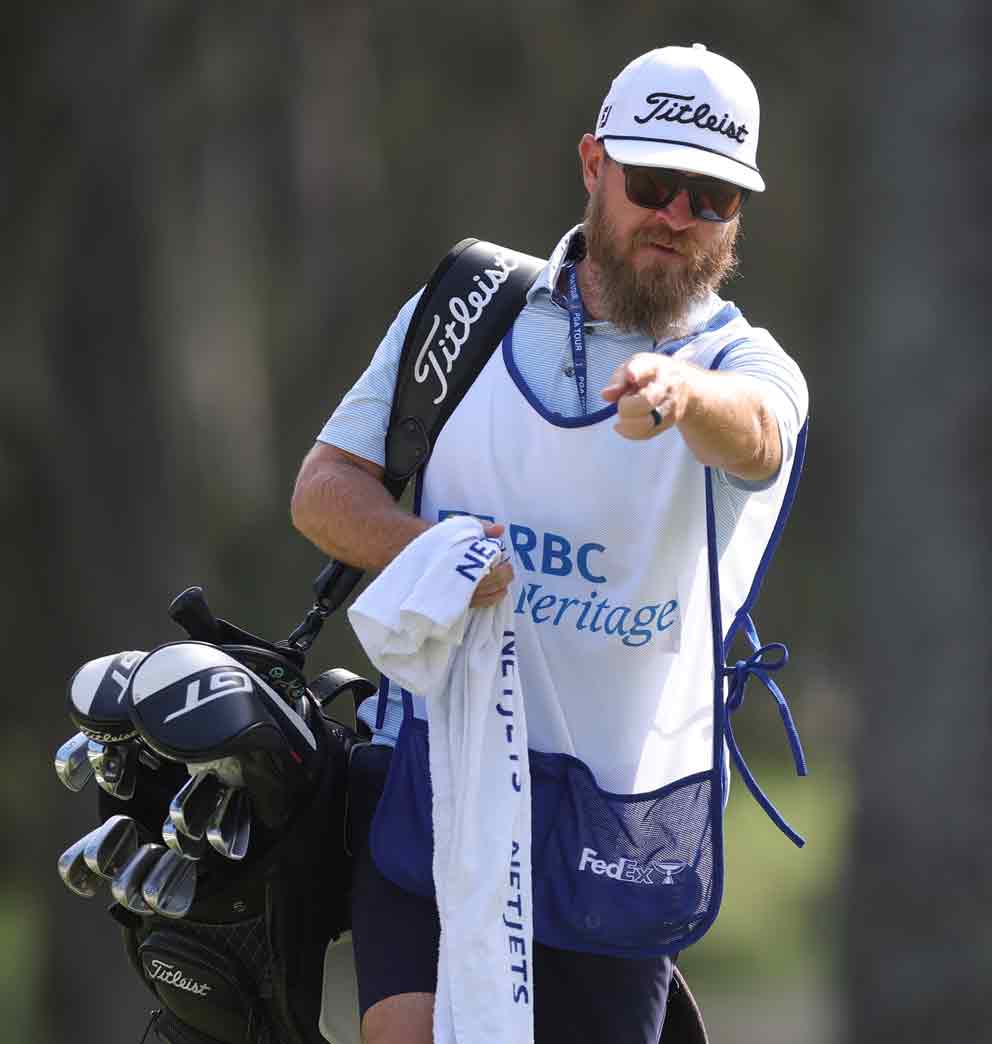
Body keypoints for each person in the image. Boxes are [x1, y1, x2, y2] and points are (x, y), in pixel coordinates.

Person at [291, 43, 808, 1044]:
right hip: (436, 775)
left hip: (615, 818)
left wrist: (681, 394)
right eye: (652, 182)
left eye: (709, 198)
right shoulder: (469, 311)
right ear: (590, 165)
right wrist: (428, 549)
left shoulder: (742, 363)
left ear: (738, 213)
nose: (674, 215)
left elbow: (758, 430)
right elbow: (325, 492)